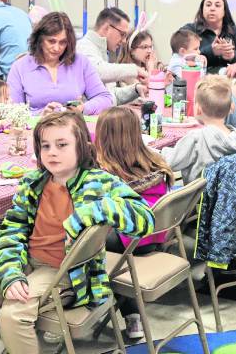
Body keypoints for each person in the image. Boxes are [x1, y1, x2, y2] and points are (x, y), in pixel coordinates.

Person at [0, 111, 156, 354]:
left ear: (82, 147)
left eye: (62, 145)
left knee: (13, 315)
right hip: (23, 260)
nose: (52, 152)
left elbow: (145, 218)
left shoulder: (99, 182)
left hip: (64, 270)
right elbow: (11, 232)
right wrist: (10, 272)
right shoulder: (33, 183)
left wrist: (92, 212)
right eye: (46, 145)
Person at [95, 106, 174, 339]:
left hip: (128, 240)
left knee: (79, 241)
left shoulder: (106, 174)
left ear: (103, 138)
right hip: (157, 234)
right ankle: (133, 318)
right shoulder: (154, 162)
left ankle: (79, 307)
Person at [8, 12, 113, 115]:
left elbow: (105, 99)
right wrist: (40, 114)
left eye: (63, 42)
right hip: (34, 130)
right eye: (51, 41)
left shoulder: (81, 63)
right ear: (39, 39)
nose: (57, 48)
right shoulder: (20, 67)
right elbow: (12, 112)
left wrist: (83, 108)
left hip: (73, 128)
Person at [160, 75, 236, 184]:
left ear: (198, 109)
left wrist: (156, 152)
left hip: (198, 199)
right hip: (229, 200)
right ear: (231, 108)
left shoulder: (196, 139)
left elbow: (169, 162)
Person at [76, 8, 149, 103]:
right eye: (122, 34)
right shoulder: (83, 47)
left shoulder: (103, 52)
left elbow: (110, 95)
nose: (124, 41)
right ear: (106, 28)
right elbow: (98, 72)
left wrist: (135, 90)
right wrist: (135, 69)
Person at [180, 0, 236, 74]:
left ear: (224, 11)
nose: (212, 8)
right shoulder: (189, 30)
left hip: (230, 81)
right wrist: (211, 51)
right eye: (208, 5)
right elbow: (179, 55)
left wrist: (232, 55)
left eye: (217, 5)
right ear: (202, 10)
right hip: (199, 80)